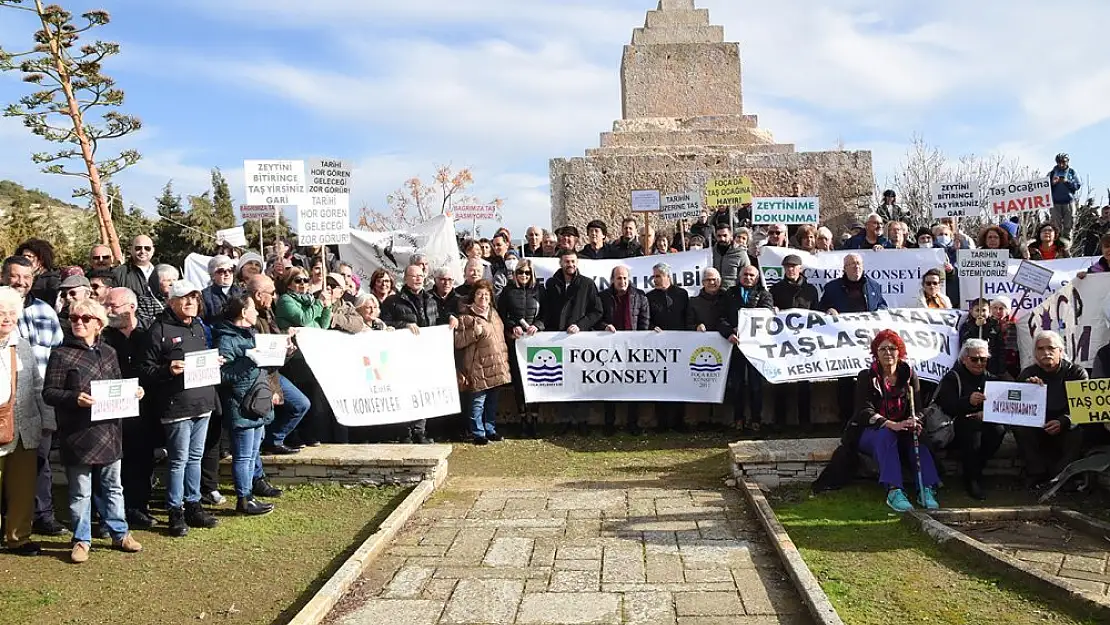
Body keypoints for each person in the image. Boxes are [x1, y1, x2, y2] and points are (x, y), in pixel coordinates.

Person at [43, 298, 144, 562]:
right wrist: (74, 398)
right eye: (74, 318)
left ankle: (120, 533)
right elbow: (49, 393)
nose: (78, 322)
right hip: (78, 433)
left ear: (98, 324)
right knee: (80, 492)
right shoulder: (61, 354)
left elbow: (118, 385)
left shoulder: (109, 352)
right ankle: (81, 540)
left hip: (109, 431)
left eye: (85, 319)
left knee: (113, 487)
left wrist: (134, 392)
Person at [137, 280, 220, 537]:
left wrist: (214, 361)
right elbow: (144, 369)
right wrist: (167, 370)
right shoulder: (157, 330)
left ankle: (194, 505)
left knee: (195, 458)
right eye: (184, 298)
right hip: (176, 406)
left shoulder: (198, 326)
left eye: (194, 298)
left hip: (202, 403)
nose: (190, 303)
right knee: (178, 461)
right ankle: (175, 511)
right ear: (172, 302)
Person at [1, 256, 66, 537]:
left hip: (28, 420)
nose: (7, 319)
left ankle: (20, 534)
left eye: (11, 316)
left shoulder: (29, 335)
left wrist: (48, 416)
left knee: (27, 480)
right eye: (1, 314)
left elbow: (40, 382)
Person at [849, 330, 940, 511]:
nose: (888, 353)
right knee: (886, 435)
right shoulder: (866, 377)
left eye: (892, 348)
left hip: (902, 427)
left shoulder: (909, 375)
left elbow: (919, 409)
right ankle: (894, 490)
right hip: (873, 431)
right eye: (883, 349)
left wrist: (914, 421)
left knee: (918, 436)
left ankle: (926, 488)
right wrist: (892, 424)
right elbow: (864, 411)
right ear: (876, 353)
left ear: (900, 352)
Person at [214, 295, 279, 516]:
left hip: (257, 402)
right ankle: (243, 499)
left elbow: (265, 366)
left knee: (252, 453)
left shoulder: (251, 334)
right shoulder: (226, 339)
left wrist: (285, 353)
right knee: (242, 455)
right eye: (252, 309)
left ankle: (249, 494)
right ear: (243, 312)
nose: (256, 313)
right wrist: (249, 359)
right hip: (240, 405)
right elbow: (222, 375)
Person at [101, 287, 159, 528]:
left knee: (142, 459)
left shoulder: (150, 332)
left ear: (131, 308)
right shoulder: (103, 335)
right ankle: (110, 513)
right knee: (113, 464)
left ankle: (138, 507)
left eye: (113, 307)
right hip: (110, 409)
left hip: (144, 408)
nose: (108, 311)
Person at [381, 265, 452, 444]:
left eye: (421, 276)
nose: (418, 279)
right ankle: (405, 432)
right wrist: (404, 325)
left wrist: (452, 318)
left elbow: (439, 320)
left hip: (426, 354)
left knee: (424, 391)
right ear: (405, 279)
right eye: (414, 276)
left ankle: (420, 430)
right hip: (403, 355)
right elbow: (385, 324)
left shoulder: (431, 299)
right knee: (405, 391)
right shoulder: (393, 301)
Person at [1013, 330, 1090, 488]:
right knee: (1019, 427)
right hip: (1038, 426)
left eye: (1051, 348)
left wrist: (1063, 421)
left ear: (1060, 351)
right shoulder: (1028, 374)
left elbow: (1083, 407)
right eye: (1040, 349)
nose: (1046, 352)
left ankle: (1060, 476)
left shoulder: (1076, 373)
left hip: (1065, 425)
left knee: (1079, 432)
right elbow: (1016, 409)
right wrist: (1027, 391)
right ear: (1035, 353)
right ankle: (1036, 473)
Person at [930, 339, 1005, 500]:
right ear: (964, 359)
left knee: (998, 430)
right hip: (956, 427)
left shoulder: (991, 379)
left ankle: (977, 468)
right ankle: (972, 478)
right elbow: (946, 405)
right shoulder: (953, 377)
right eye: (974, 359)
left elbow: (1001, 404)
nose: (979, 363)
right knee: (971, 429)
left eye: (983, 359)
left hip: (984, 424)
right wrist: (968, 402)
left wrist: (985, 413)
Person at [245, 275, 310, 455]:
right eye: (271, 293)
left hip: (273, 372)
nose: (274, 297)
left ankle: (274, 439)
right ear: (259, 295)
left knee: (301, 404)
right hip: (258, 377)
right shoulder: (249, 317)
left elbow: (271, 341)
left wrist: (285, 342)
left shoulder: (267, 311)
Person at [820, 253, 888, 423]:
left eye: (858, 263)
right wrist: (829, 309)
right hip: (843, 344)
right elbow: (820, 309)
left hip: (867, 343)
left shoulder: (874, 286)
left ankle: (870, 418)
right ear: (844, 268)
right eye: (851, 264)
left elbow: (882, 306)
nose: (856, 267)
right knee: (845, 383)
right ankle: (846, 420)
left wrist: (880, 312)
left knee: (870, 379)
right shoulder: (832, 288)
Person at [542, 249, 603, 435]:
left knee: (579, 380)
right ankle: (564, 420)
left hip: (579, 340)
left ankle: (582, 421)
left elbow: (597, 311)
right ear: (560, 263)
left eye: (573, 261)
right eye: (567, 262)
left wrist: (581, 325)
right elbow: (546, 311)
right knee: (561, 381)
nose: (571, 265)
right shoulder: (551, 284)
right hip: (557, 340)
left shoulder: (587, 284)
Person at [453, 280, 510, 445]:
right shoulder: (465, 316)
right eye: (479, 294)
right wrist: (473, 333)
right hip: (478, 366)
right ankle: (478, 433)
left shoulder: (495, 314)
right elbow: (457, 341)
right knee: (478, 403)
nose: (483, 297)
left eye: (486, 294)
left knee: (492, 402)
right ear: (473, 297)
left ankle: (490, 429)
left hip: (497, 365)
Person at [597, 265, 651, 436]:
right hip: (609, 349)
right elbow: (596, 319)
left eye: (625, 278)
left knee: (633, 385)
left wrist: (639, 342)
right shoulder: (603, 297)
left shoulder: (639, 296)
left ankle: (632, 423)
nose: (622, 282)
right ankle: (609, 423)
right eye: (619, 278)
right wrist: (605, 326)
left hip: (632, 349)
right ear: (612, 280)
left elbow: (645, 321)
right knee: (608, 385)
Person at [718, 265, 773, 434]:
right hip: (735, 346)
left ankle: (756, 419)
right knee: (737, 385)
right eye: (745, 275)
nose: (748, 278)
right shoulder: (730, 294)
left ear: (757, 278)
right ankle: (738, 419)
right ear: (739, 276)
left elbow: (768, 317)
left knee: (756, 385)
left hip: (756, 348)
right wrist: (729, 332)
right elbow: (721, 317)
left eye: (751, 275)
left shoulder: (764, 295)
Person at [768, 255, 818, 429]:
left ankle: (805, 421)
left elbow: (816, 314)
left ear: (800, 269)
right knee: (780, 381)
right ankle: (779, 421)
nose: (790, 269)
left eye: (793, 266)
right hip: (782, 342)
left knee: (804, 383)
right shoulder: (775, 289)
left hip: (804, 342)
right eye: (787, 267)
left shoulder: (810, 290)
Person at [497, 260, 543, 437]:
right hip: (516, 343)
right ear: (515, 274)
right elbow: (502, 314)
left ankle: (535, 419)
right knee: (519, 382)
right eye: (520, 272)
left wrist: (538, 325)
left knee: (537, 380)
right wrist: (511, 326)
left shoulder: (540, 291)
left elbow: (547, 313)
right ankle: (523, 419)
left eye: (527, 273)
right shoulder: (508, 291)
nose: (524, 276)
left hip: (535, 342)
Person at [646, 263, 689, 431]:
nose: (655, 280)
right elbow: (646, 319)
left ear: (667, 276)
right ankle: (661, 422)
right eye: (654, 276)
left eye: (658, 276)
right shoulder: (649, 297)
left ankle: (679, 421)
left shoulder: (681, 294)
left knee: (679, 382)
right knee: (660, 382)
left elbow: (687, 317)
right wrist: (651, 328)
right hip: (659, 347)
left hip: (680, 346)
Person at [112, 236, 161, 325]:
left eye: (147, 248)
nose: (143, 251)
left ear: (153, 250)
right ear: (131, 250)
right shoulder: (118, 274)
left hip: (159, 326)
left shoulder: (161, 273)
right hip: (132, 326)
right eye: (138, 248)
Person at [959, 298, 1004, 375]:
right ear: (971, 311)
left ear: (989, 311)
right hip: (974, 365)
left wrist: (1001, 369)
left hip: (992, 366)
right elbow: (964, 343)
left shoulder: (994, 325)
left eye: (983, 310)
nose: (980, 313)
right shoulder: (966, 326)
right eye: (977, 310)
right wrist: (976, 327)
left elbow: (1000, 348)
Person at [16, 238, 61, 306]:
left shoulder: (52, 281)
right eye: (23, 256)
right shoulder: (18, 277)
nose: (25, 259)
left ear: (41, 260)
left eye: (29, 256)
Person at [201, 255, 242, 326]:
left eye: (230, 270)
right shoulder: (204, 296)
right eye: (221, 271)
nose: (227, 274)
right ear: (212, 275)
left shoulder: (242, 292)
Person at [1049, 153, 1081, 242]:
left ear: (1067, 162)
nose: (1061, 164)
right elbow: (1045, 187)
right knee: (1055, 226)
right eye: (1059, 162)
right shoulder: (1052, 173)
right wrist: (1053, 183)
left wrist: (1067, 182)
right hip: (1055, 202)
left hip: (1069, 202)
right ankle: (1056, 244)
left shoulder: (1072, 172)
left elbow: (1077, 185)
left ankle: (1066, 245)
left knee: (1069, 225)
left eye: (1063, 162)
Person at [712, 223, 750, 290]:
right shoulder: (711, 252)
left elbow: (747, 273)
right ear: (715, 236)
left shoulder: (740, 253)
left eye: (725, 235)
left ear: (731, 235)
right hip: (713, 292)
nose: (722, 239)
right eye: (719, 236)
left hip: (732, 293)